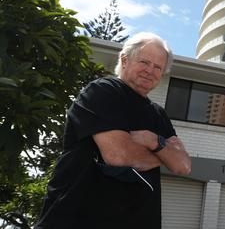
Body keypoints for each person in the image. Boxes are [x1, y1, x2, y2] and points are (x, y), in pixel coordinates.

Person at [35, 32, 191, 229]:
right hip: (75, 219)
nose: (150, 71)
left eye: (158, 67)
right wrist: (166, 153)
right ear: (125, 60)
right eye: (144, 62)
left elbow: (183, 165)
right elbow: (119, 155)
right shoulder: (102, 91)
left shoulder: (158, 114)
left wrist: (153, 142)